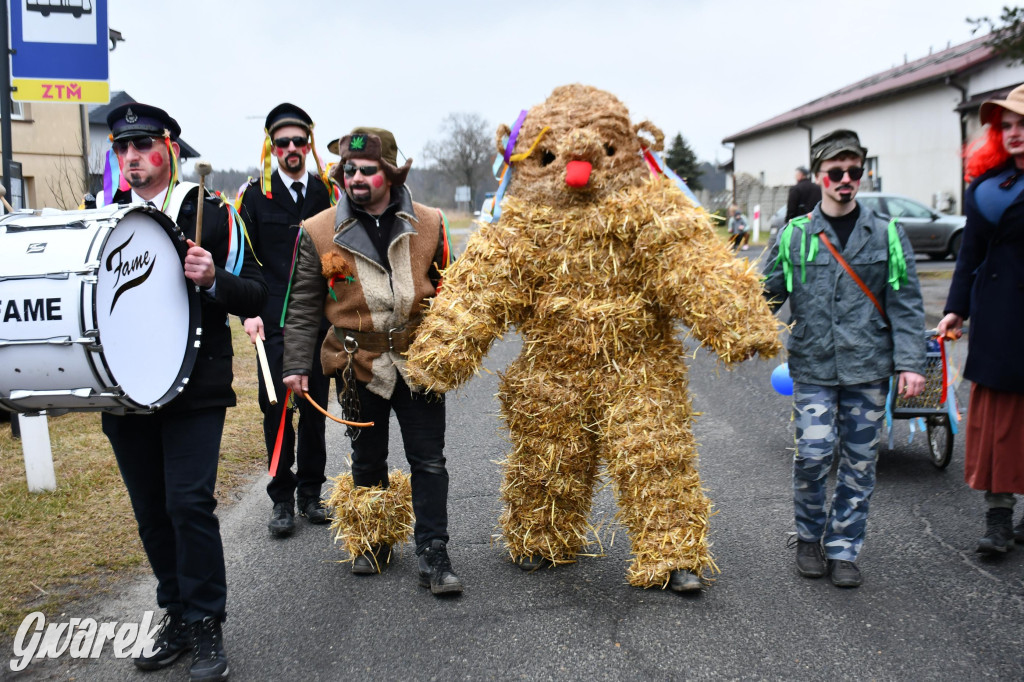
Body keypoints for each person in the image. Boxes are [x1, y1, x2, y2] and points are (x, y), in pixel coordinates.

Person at [102, 103, 266, 679]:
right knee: (150, 511)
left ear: (169, 149)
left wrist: (213, 279)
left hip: (195, 388)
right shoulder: (103, 218)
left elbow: (256, 294)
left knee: (187, 504)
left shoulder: (212, 213)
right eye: (122, 148)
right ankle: (174, 612)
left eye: (142, 146)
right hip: (124, 391)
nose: (131, 158)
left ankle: (205, 623)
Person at [282, 127, 462, 595]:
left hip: (419, 361)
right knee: (367, 457)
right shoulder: (318, 230)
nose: (355, 177)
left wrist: (454, 344)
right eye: (348, 169)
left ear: (391, 172)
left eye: (368, 169)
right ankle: (374, 540)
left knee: (429, 460)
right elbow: (302, 305)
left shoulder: (430, 221)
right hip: (356, 361)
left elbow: (455, 292)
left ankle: (433, 550)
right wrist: (295, 366)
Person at [762, 129, 926, 588]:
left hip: (868, 367)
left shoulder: (888, 233)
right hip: (813, 366)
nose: (846, 179)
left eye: (855, 171)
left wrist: (910, 363)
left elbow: (906, 303)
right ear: (819, 176)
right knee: (813, 455)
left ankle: (844, 550)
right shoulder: (795, 235)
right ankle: (810, 538)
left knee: (859, 463)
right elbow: (765, 295)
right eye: (836, 172)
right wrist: (732, 328)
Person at [239, 103, 335, 537]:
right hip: (272, 320)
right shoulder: (254, 196)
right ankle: (281, 497)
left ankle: (311, 493)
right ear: (271, 147)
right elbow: (243, 260)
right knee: (276, 408)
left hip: (317, 321)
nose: (292, 149)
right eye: (283, 142)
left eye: (300, 141)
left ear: (308, 145)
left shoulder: (327, 193)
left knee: (314, 408)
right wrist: (248, 313)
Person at [938, 84, 1024, 555]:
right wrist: (956, 306)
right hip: (1001, 319)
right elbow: (970, 252)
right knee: (1001, 423)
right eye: (1005, 126)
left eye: (1022, 124)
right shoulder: (987, 188)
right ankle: (998, 518)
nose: (1013, 134)